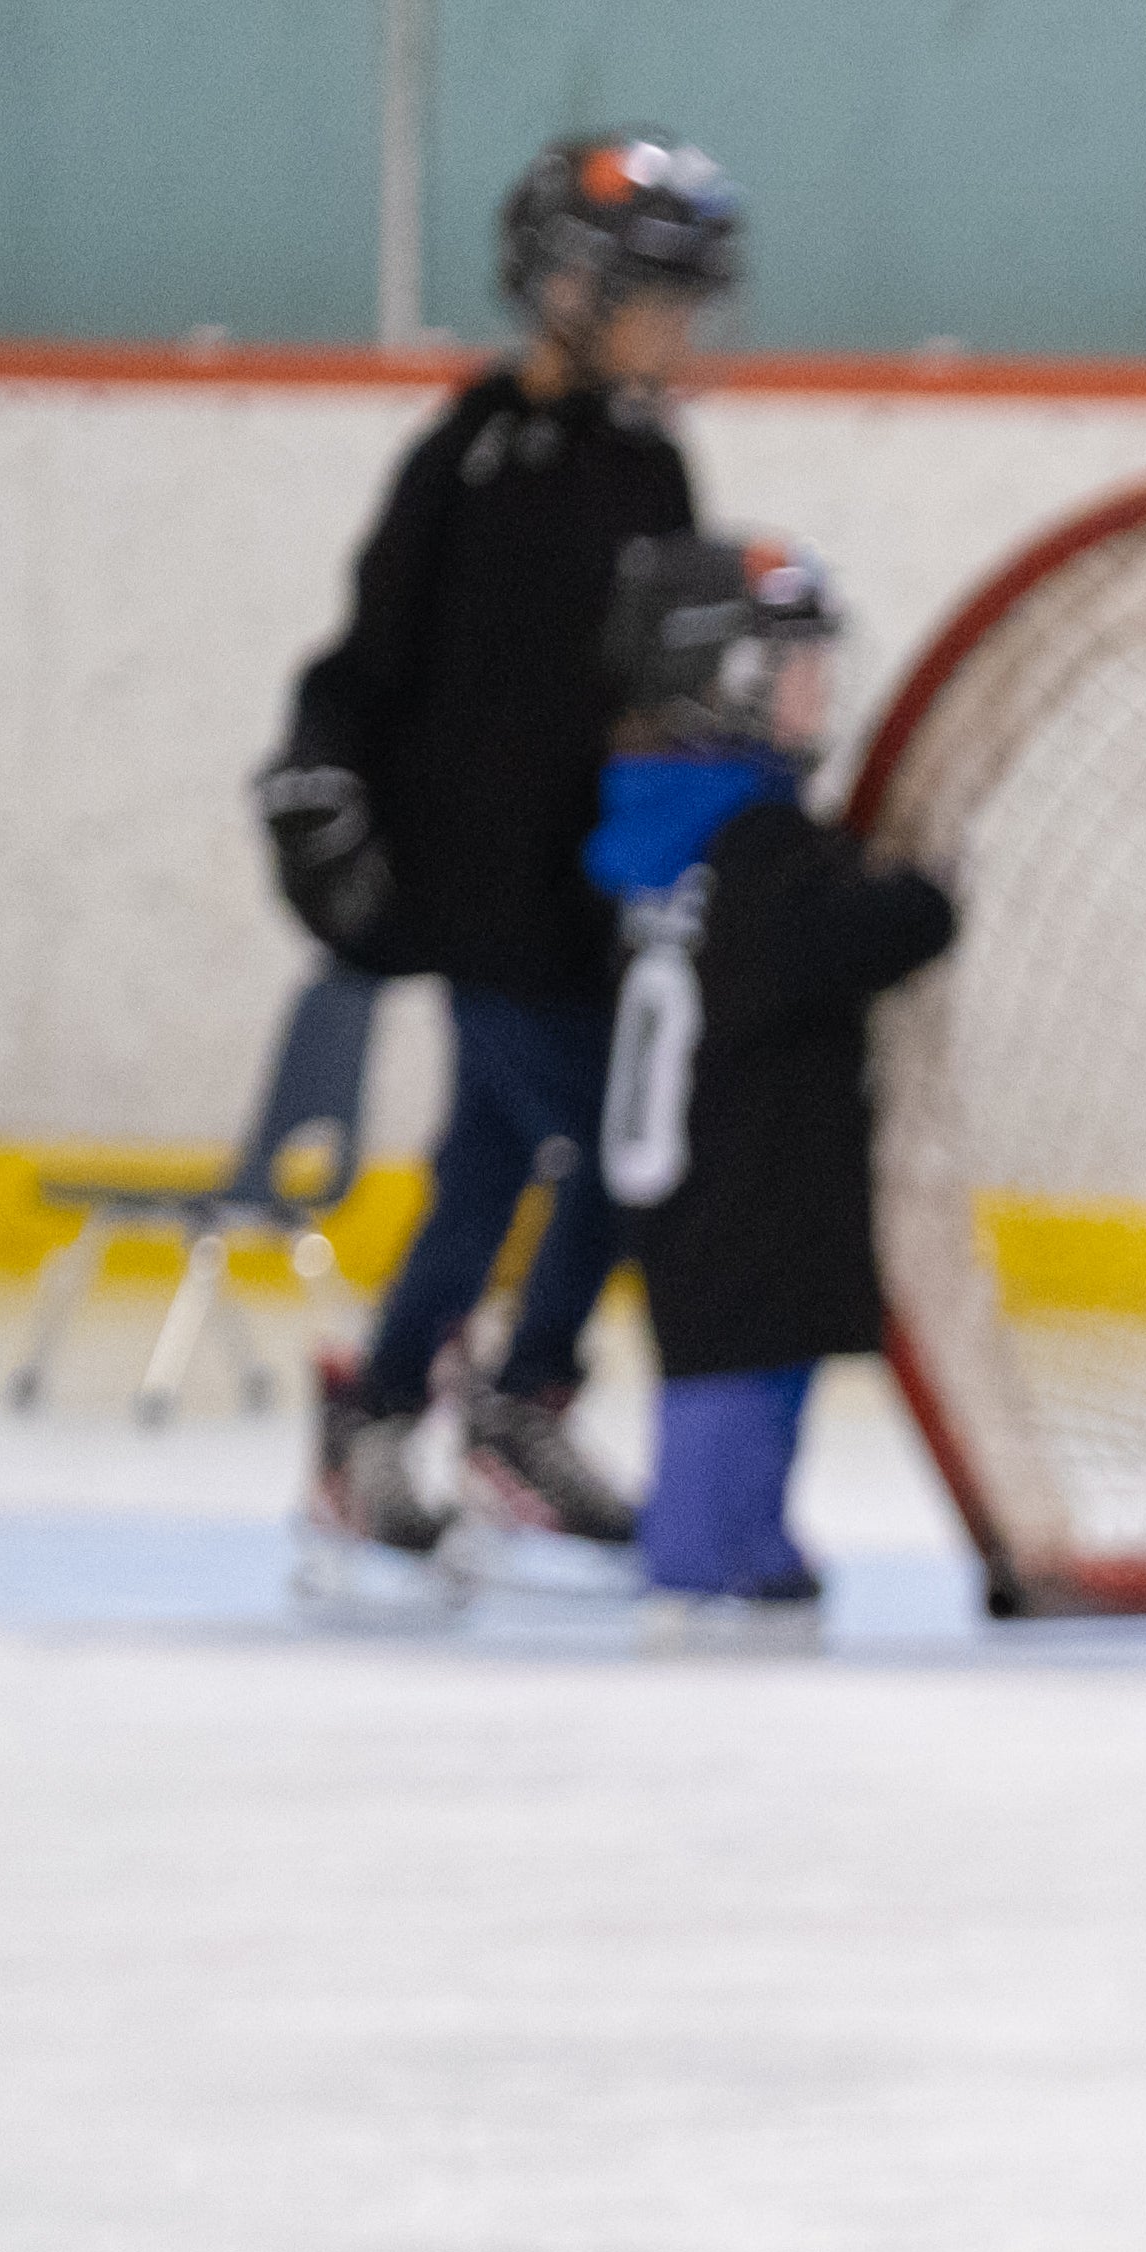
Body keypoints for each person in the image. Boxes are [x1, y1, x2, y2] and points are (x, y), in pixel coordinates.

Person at [262, 130, 745, 1608]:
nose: (686, 327)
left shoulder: (655, 461)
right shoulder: (463, 456)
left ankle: (381, 1419)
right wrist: (316, 782)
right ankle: (519, 1401)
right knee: (617, 1148)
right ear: (566, 287)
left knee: (484, 1170)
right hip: (475, 896)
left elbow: (661, 683)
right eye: (660, 292)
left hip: (590, 894)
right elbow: (365, 659)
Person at [579, 533, 959, 1651]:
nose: (818, 688)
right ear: (722, 678)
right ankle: (699, 1555)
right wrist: (925, 899)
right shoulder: (753, 840)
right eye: (794, 664)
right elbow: (854, 934)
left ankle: (749, 1537)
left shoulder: (659, 820)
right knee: (735, 1357)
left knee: (756, 1345)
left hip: (702, 1151)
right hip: (745, 1155)